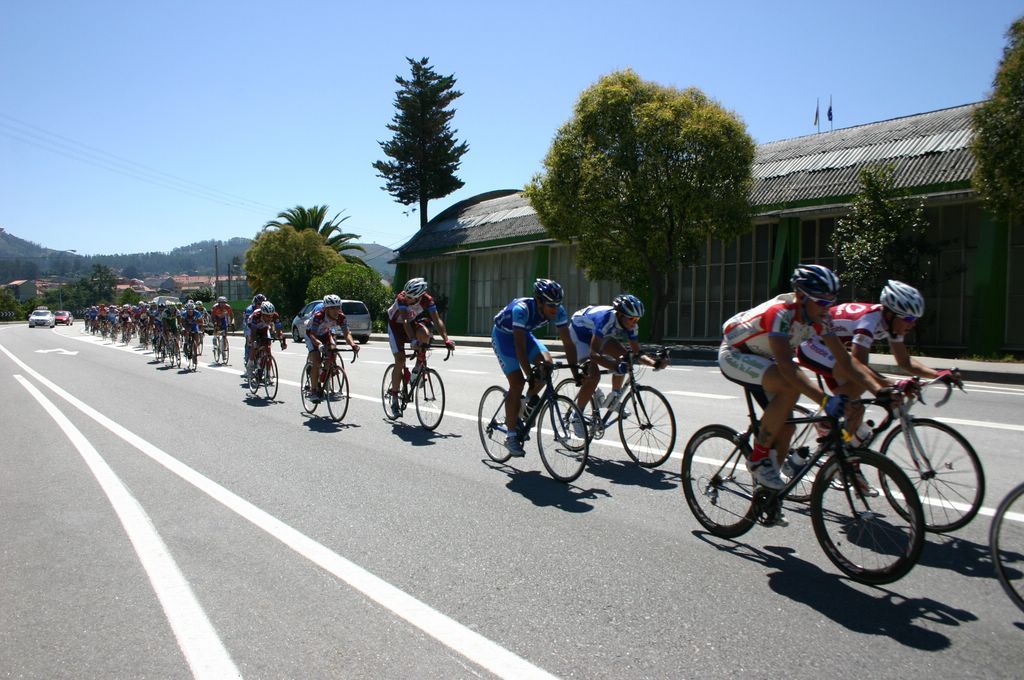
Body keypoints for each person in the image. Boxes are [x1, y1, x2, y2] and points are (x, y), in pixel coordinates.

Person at [719, 264, 891, 494]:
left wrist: (879, 389)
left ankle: (768, 493)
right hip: (736, 353)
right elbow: (787, 367)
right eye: (821, 302)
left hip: (764, 357)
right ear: (801, 297)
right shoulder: (781, 313)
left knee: (786, 429)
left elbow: (846, 360)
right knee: (790, 386)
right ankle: (758, 459)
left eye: (830, 302)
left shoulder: (821, 317)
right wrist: (825, 401)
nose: (827, 308)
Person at [796, 280, 961, 447]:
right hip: (811, 344)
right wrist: (894, 383)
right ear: (890, 314)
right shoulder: (869, 321)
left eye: (915, 319)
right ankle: (826, 420)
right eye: (908, 318)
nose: (912, 324)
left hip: (831, 348)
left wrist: (938, 374)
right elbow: (859, 366)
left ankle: (838, 452)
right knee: (860, 382)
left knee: (856, 410)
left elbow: (904, 361)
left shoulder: (893, 325)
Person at [491, 278, 578, 456]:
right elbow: (519, 347)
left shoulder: (559, 311)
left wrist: (576, 372)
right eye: (551, 305)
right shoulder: (521, 310)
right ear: (539, 301)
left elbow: (568, 343)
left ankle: (526, 403)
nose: (555, 309)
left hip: (525, 335)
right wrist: (529, 375)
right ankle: (511, 436)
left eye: (558, 304)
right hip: (504, 338)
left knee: (547, 365)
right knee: (517, 383)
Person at [567, 294, 669, 434]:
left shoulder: (632, 325)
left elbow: (636, 353)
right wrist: (615, 366)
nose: (634, 322)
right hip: (579, 334)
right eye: (631, 318)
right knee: (593, 375)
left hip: (598, 335)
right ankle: (576, 416)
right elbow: (594, 354)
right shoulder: (605, 319)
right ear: (620, 315)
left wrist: (655, 363)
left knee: (626, 358)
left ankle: (613, 398)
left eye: (637, 319)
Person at [385, 278, 455, 417]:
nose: (407, 298)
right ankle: (394, 397)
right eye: (407, 295)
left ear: (419, 296)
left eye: (411, 297)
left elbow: (437, 320)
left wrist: (446, 339)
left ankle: (417, 368)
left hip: (410, 323)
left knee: (425, 333)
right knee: (400, 360)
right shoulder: (402, 299)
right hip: (396, 327)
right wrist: (412, 340)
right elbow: (405, 320)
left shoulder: (427, 300)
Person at [304, 294, 359, 402]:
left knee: (333, 350)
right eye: (332, 308)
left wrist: (353, 344)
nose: (336, 310)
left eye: (338, 307)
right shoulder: (319, 316)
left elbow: (346, 333)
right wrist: (319, 344)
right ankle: (313, 391)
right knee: (316, 361)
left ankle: (324, 373)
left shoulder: (341, 317)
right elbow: (312, 335)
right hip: (311, 334)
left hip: (325, 333)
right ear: (326, 309)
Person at [246, 300, 286, 375]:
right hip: (254, 327)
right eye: (267, 316)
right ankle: (250, 363)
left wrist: (282, 341)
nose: (269, 318)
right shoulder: (256, 315)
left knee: (268, 349)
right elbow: (253, 333)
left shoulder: (275, 316)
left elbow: (279, 331)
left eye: (271, 316)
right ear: (262, 313)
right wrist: (253, 341)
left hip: (265, 328)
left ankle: (268, 374)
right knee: (255, 345)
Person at [242, 293, 266, 378]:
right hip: (249, 326)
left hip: (260, 326)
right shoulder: (249, 310)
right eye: (259, 304)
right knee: (250, 343)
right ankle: (248, 362)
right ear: (255, 303)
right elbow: (249, 324)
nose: (261, 305)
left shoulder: (265, 309)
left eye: (262, 303)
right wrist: (250, 337)